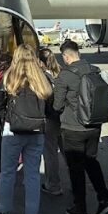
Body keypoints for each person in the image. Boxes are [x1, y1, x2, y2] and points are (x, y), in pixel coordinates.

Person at [53, 39, 108, 214]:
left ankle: (80, 208)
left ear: (66, 56)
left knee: (76, 168)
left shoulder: (64, 76)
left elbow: (57, 105)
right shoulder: (95, 70)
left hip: (73, 128)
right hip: (94, 125)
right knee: (91, 161)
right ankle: (104, 199)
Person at [0, 44, 51, 214]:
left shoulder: (9, 76)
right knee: (32, 175)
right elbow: (50, 104)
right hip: (36, 130)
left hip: (12, 130)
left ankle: (4, 212)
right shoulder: (42, 78)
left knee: (7, 172)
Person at [37, 46, 65, 196]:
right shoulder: (60, 72)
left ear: (41, 62)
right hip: (64, 117)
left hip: (50, 118)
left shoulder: (43, 76)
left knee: (50, 152)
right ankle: (76, 179)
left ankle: (53, 184)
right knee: (67, 150)